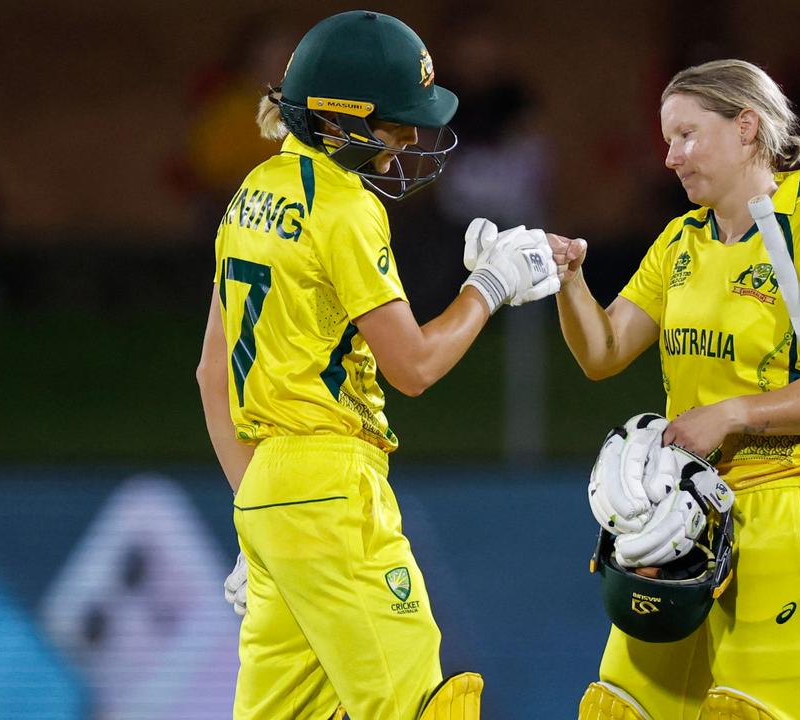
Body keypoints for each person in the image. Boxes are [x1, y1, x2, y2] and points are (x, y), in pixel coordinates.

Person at [195, 11, 560, 720]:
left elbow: (212, 375)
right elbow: (414, 366)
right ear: (342, 121)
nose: (404, 144)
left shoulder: (250, 194)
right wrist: (490, 287)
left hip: (267, 486)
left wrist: (258, 510)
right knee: (422, 708)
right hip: (333, 489)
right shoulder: (344, 206)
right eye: (394, 124)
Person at [551, 59, 800, 719]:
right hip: (685, 523)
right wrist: (570, 281)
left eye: (687, 136)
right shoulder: (680, 243)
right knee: (617, 710)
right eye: (668, 139)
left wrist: (731, 415)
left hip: (790, 512)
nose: (670, 157)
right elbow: (603, 352)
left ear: (747, 128)